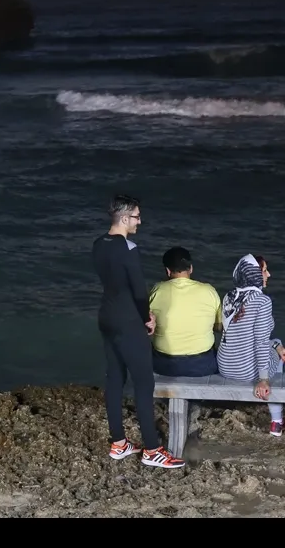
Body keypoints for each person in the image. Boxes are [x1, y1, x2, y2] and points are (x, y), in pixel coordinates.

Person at [93, 194, 185, 468]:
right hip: (127, 321)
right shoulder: (128, 248)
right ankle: (152, 450)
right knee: (144, 384)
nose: (139, 221)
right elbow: (138, 291)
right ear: (124, 218)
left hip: (106, 316)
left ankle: (119, 443)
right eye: (136, 216)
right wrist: (147, 318)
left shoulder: (98, 244)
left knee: (115, 378)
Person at [216, 254, 285, 436]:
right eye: (264, 271)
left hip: (224, 365)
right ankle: (277, 421)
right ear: (254, 274)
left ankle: (277, 417)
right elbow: (261, 342)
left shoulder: (229, 296)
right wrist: (263, 380)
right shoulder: (262, 301)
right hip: (246, 371)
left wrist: (275, 345)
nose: (268, 275)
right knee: (278, 349)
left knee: (276, 343)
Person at [148, 247, 221, 377]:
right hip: (202, 365)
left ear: (167, 271)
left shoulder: (157, 290)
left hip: (163, 365)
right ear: (191, 268)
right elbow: (219, 327)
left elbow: (147, 322)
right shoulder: (209, 291)